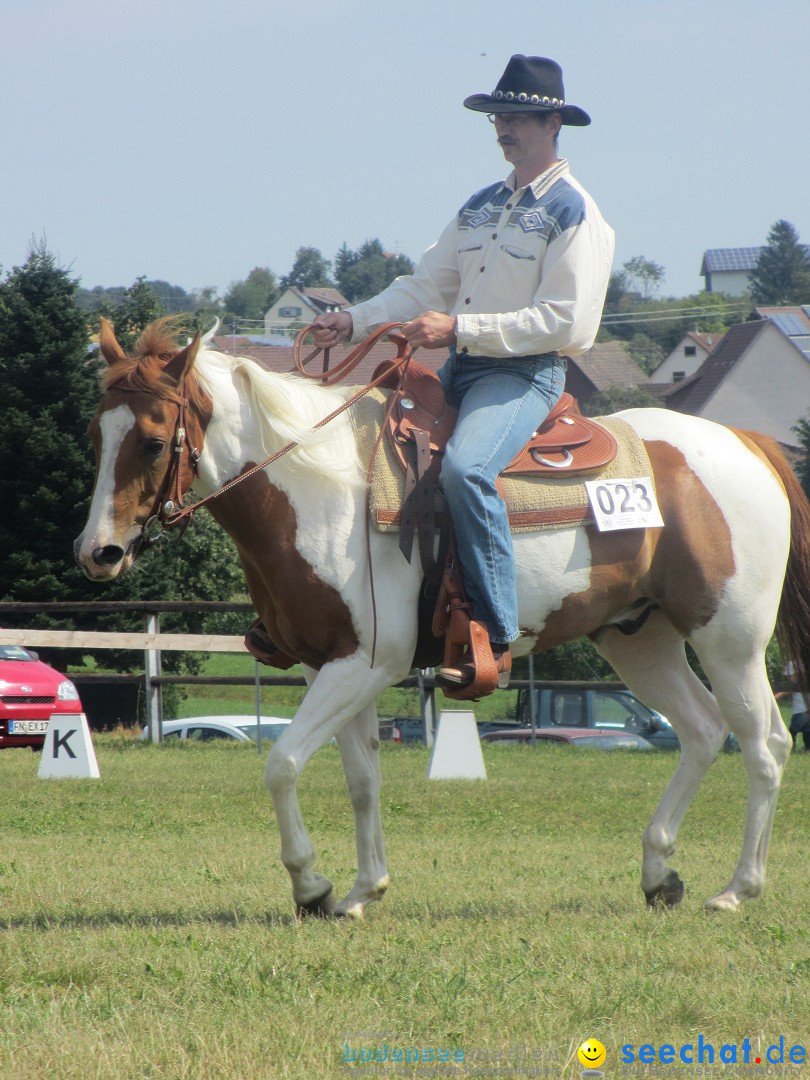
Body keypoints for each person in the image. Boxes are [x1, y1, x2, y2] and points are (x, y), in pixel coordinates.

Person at [312, 54, 615, 692]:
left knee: (464, 469)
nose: (503, 127)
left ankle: (493, 631)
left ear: (554, 121)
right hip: (462, 367)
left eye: (517, 117)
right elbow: (427, 284)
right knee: (357, 451)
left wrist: (458, 329)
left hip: (524, 375)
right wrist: (355, 319)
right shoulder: (480, 206)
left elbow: (567, 323)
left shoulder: (575, 213)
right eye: (498, 116)